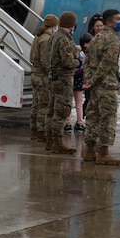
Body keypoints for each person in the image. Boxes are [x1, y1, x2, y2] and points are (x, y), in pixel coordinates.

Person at [82, 9, 120, 165]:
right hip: (106, 85)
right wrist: (95, 80)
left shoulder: (96, 38)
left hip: (95, 87)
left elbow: (87, 61)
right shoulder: (112, 39)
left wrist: (89, 80)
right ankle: (103, 153)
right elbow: (107, 64)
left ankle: (90, 151)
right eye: (117, 19)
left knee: (93, 117)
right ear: (109, 22)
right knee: (107, 118)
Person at [38, 11, 80, 152]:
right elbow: (67, 61)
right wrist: (79, 61)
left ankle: (50, 140)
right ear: (72, 24)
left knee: (52, 110)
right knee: (61, 111)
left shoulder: (54, 36)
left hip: (54, 78)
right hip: (63, 79)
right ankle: (57, 142)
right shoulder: (63, 39)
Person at [29, 13, 59, 143]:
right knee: (44, 104)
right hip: (42, 75)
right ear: (53, 26)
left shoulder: (38, 37)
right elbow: (46, 60)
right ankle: (42, 131)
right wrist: (51, 74)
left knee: (36, 104)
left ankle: (35, 130)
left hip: (35, 73)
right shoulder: (46, 39)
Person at [70, 28, 89, 131]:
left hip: (74, 79)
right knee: (78, 103)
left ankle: (69, 123)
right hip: (79, 80)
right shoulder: (85, 55)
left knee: (74, 103)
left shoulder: (80, 54)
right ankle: (79, 122)